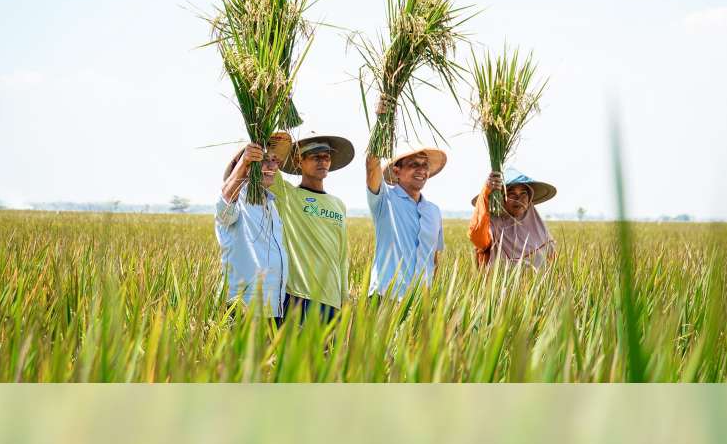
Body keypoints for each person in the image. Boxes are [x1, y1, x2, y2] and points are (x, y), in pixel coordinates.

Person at [226, 132, 354, 323]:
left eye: (326, 156)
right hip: (298, 297)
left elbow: (342, 255)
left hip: (333, 300)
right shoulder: (286, 195)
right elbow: (244, 171)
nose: (322, 161)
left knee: (329, 353)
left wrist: (345, 297)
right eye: (315, 156)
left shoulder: (338, 204)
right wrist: (249, 154)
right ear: (298, 160)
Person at [365, 103, 447, 299]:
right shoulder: (385, 200)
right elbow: (371, 165)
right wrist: (382, 121)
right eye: (413, 165)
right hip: (386, 297)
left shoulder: (433, 211)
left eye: (424, 165)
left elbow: (433, 260)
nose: (421, 170)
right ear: (397, 171)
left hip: (420, 303)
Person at [215, 133, 292, 323]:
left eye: (274, 161)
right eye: (264, 160)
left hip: (274, 308)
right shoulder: (238, 197)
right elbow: (224, 205)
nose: (272, 167)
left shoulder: (271, 204)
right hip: (243, 309)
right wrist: (244, 162)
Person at [467, 168, 557, 268]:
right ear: (499, 199)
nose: (518, 199)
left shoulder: (539, 229)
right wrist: (487, 190)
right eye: (511, 194)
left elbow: (552, 268)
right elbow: (476, 235)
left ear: (529, 197)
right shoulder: (491, 228)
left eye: (523, 194)